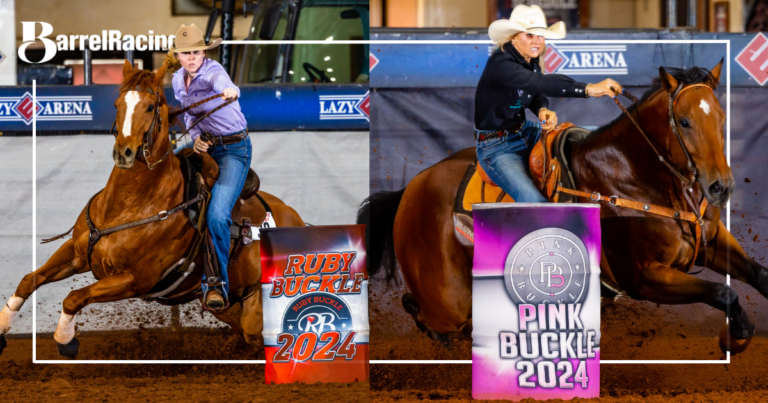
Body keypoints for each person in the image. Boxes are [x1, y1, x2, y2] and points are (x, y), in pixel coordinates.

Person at [475, 5, 622, 202]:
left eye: (540, 35)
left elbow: (535, 91)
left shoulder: (530, 59)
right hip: (496, 147)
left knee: (594, 136)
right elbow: (539, 83)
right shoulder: (501, 63)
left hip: (526, 131)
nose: (537, 41)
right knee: (535, 203)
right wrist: (588, 88)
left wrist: (541, 109)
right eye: (529, 35)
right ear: (513, 37)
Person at [168, 24, 250, 310]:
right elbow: (190, 117)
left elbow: (224, 83)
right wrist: (197, 138)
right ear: (178, 56)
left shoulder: (214, 71)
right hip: (205, 146)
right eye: (185, 53)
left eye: (196, 52)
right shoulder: (178, 80)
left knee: (217, 214)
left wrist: (230, 90)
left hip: (233, 150)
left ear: (204, 53)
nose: (191, 57)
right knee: (161, 169)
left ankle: (215, 285)